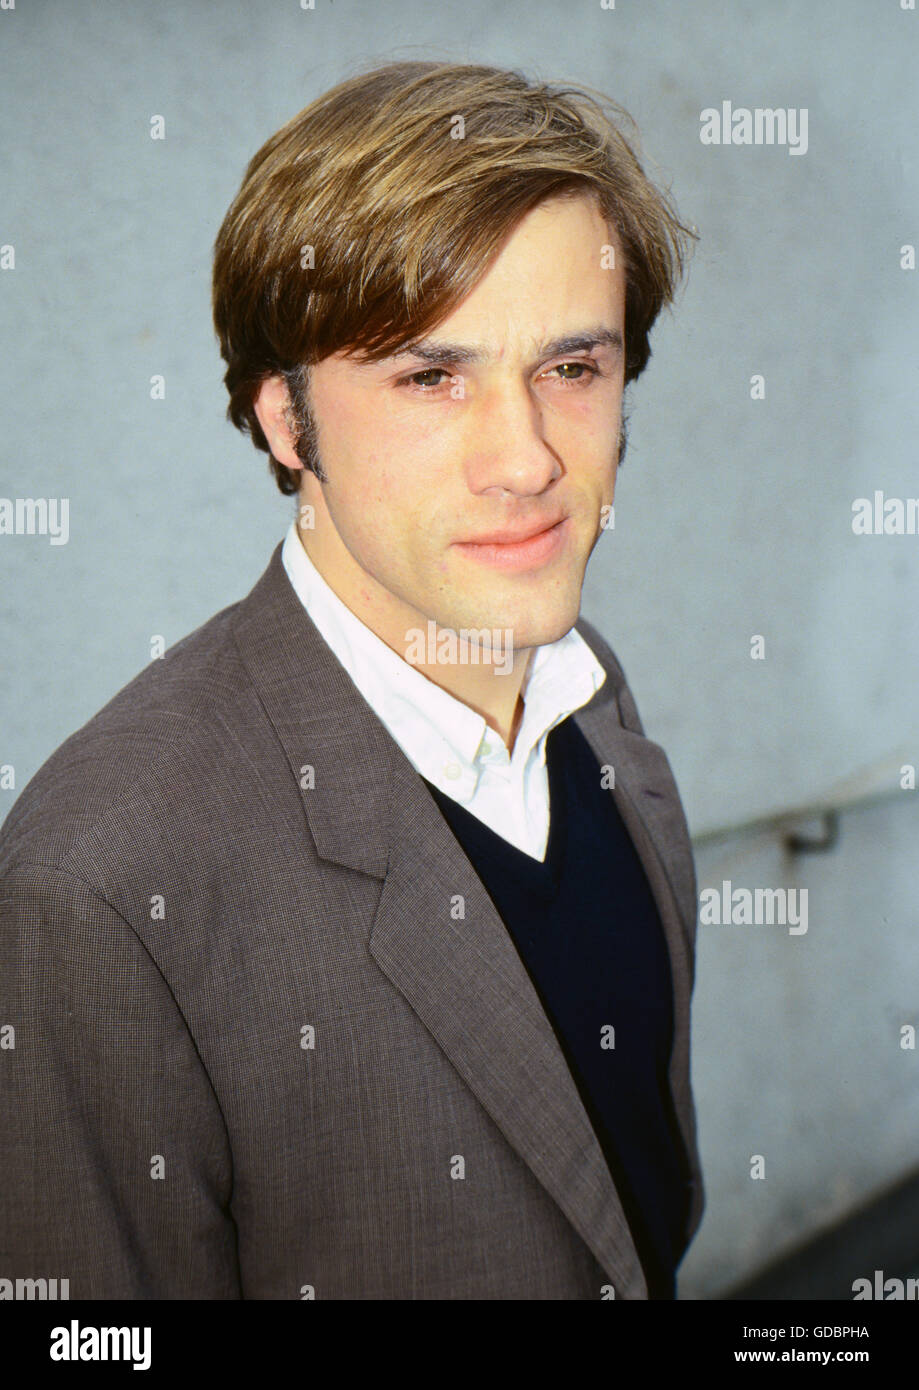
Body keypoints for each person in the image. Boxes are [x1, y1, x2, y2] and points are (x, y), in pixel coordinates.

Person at [0, 60, 703, 1300]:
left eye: (572, 367)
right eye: (432, 377)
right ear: (285, 420)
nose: (526, 459)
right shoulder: (102, 882)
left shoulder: (589, 700)